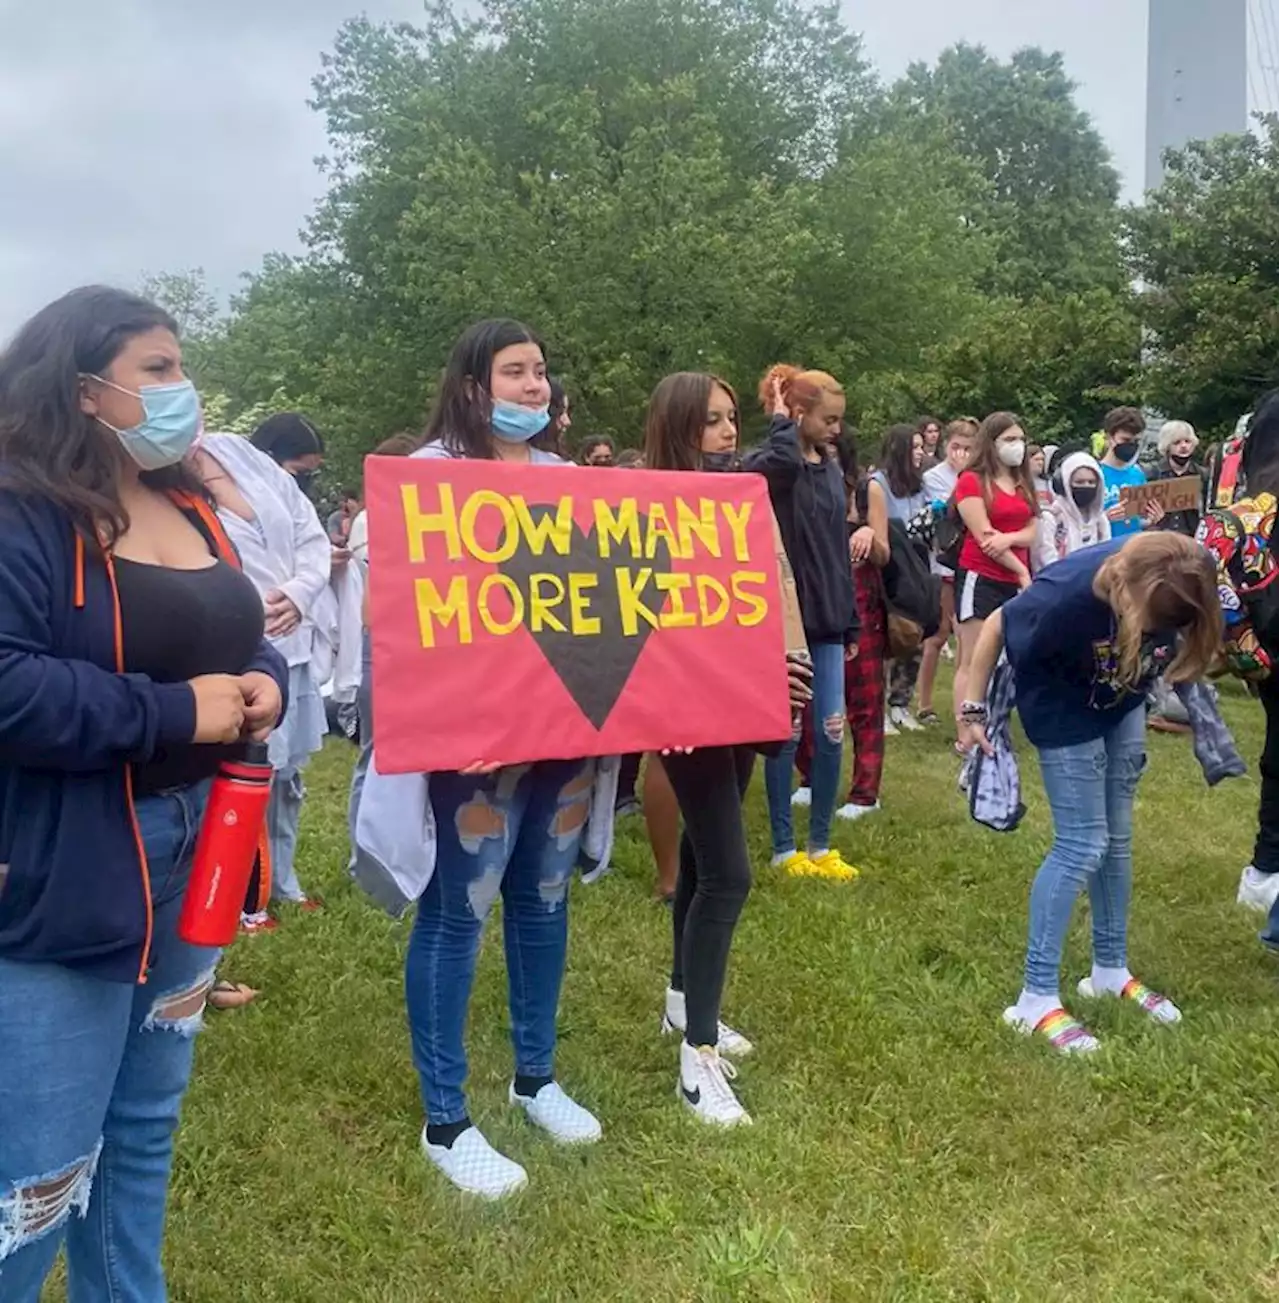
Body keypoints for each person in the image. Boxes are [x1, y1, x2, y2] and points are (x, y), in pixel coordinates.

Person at [0, 286, 287, 1300]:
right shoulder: (21, 512)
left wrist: (264, 682)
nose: (183, 389)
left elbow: (235, 635)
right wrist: (173, 714)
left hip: (199, 859)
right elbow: (7, 680)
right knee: (38, 1174)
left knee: (142, 1128)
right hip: (66, 872)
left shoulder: (186, 497)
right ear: (82, 389)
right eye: (157, 370)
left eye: (181, 367)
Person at [401, 319, 605, 1198]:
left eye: (542, 372)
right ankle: (445, 1120)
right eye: (515, 371)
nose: (535, 386)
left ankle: (535, 1076)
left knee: (544, 898)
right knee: (460, 910)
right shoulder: (427, 479)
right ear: (474, 384)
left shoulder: (575, 486)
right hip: (474, 745)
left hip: (564, 736)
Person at [961, 533, 1220, 1053]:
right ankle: (1033, 998)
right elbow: (995, 625)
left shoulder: (1184, 565)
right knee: (1082, 843)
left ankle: (1109, 969)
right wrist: (971, 710)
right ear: (1126, 592)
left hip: (1120, 700)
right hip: (1062, 709)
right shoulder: (1064, 595)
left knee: (1117, 840)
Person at [643, 370, 814, 1126]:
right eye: (710, 421)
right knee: (730, 874)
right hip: (686, 706)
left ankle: (683, 1002)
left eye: (732, 418)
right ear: (678, 427)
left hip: (747, 694)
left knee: (707, 856)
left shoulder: (741, 497)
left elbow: (771, 585)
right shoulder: (643, 504)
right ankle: (697, 1059)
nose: (726, 432)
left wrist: (789, 665)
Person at [203, 414, 332, 923]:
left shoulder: (244, 457)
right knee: (241, 774)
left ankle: (281, 881)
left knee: (287, 776)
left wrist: (301, 592)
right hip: (228, 647)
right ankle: (237, 897)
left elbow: (310, 535)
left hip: (289, 642)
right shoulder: (158, 473)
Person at [744, 365, 860, 883]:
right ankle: (782, 847)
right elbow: (781, 466)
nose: (836, 429)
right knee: (785, 731)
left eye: (840, 420)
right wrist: (779, 422)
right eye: (828, 419)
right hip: (787, 620)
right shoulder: (777, 467)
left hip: (830, 619)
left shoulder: (832, 467)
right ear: (798, 415)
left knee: (831, 731)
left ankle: (820, 845)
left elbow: (837, 546)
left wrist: (851, 620)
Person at [795, 431, 890, 820]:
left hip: (860, 601)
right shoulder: (801, 488)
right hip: (814, 598)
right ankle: (811, 776)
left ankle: (866, 791)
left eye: (830, 453)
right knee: (809, 692)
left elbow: (885, 554)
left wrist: (868, 532)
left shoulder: (868, 491)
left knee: (864, 700)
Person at [953, 413, 1038, 742]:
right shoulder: (972, 481)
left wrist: (1010, 540)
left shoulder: (1021, 480)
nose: (1017, 446)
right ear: (992, 443)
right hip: (982, 575)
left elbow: (1033, 529)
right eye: (1009, 440)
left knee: (1006, 655)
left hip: (1014, 579)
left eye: (1020, 439)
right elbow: (984, 536)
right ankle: (965, 733)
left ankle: (994, 722)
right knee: (972, 656)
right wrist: (1019, 569)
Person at [918, 418, 977, 726]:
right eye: (956, 447)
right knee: (939, 634)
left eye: (968, 448)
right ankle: (924, 702)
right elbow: (947, 512)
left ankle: (965, 703)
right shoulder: (933, 477)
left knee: (966, 637)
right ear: (946, 447)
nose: (961, 453)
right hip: (943, 563)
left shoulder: (979, 476)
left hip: (971, 563)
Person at [871, 424, 928, 732]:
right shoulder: (877, 484)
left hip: (916, 568)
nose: (920, 453)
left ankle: (901, 703)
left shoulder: (920, 487)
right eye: (915, 447)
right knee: (885, 639)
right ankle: (877, 709)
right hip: (889, 570)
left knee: (913, 637)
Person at [1035, 451, 1110, 569]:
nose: (1086, 486)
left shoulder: (1100, 520)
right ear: (1063, 484)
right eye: (1079, 482)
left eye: (1091, 482)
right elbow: (1046, 562)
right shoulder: (1051, 518)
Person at [1100, 406, 1165, 538]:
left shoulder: (1137, 473)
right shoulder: (1095, 473)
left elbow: (1139, 520)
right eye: (1125, 440)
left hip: (1132, 548)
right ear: (1109, 438)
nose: (1131, 445)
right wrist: (1104, 518)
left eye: (1136, 441)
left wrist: (1152, 520)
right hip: (1104, 548)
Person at [1148, 419, 1202, 537]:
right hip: (1162, 539)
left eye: (1187, 441)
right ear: (1167, 446)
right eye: (1177, 442)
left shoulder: (1203, 475)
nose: (1183, 446)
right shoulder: (1153, 474)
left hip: (1193, 540)